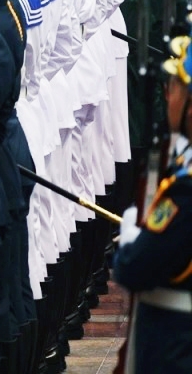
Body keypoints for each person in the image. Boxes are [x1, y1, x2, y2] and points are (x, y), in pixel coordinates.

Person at [113, 36, 192, 373]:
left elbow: (136, 267)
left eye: (175, 86)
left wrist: (132, 240)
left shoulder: (185, 189)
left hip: (174, 343)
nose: (168, 95)